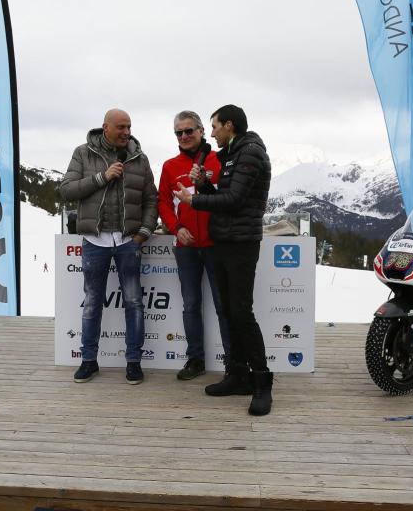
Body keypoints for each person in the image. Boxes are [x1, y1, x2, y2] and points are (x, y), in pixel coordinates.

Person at [173, 104, 273, 416]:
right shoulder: (234, 150)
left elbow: (234, 200)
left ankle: (262, 383)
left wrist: (194, 198)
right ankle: (239, 376)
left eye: (214, 126)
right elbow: (226, 195)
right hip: (226, 241)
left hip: (242, 243)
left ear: (229, 125)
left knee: (242, 312)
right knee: (230, 311)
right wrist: (204, 184)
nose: (211, 133)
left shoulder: (250, 151)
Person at [59, 108, 158, 385]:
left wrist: (144, 232)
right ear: (106, 128)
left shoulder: (140, 157)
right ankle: (89, 361)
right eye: (121, 127)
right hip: (95, 242)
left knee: (134, 303)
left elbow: (152, 199)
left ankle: (134, 362)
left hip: (129, 242)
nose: (126, 132)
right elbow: (66, 190)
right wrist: (102, 177)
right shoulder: (83, 153)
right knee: (92, 303)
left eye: (129, 127)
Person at [158, 110, 230, 380]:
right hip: (186, 246)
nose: (184, 136)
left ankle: (232, 363)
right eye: (179, 132)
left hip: (216, 244)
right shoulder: (169, 166)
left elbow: (228, 196)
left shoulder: (219, 159)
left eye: (189, 131)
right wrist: (177, 228)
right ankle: (195, 360)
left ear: (201, 131)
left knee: (224, 305)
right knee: (191, 304)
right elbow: (163, 202)